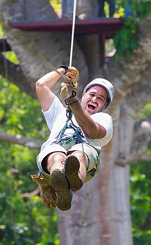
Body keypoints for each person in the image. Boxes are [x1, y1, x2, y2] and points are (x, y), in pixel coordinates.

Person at [33, 66, 114, 210]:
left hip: (85, 158)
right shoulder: (59, 112)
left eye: (100, 98)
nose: (94, 99)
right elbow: (41, 86)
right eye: (92, 94)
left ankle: (72, 178)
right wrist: (64, 71)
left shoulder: (103, 119)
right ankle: (60, 180)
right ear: (83, 95)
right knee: (56, 155)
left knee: (78, 155)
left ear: (104, 105)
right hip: (51, 158)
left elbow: (91, 130)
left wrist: (72, 101)